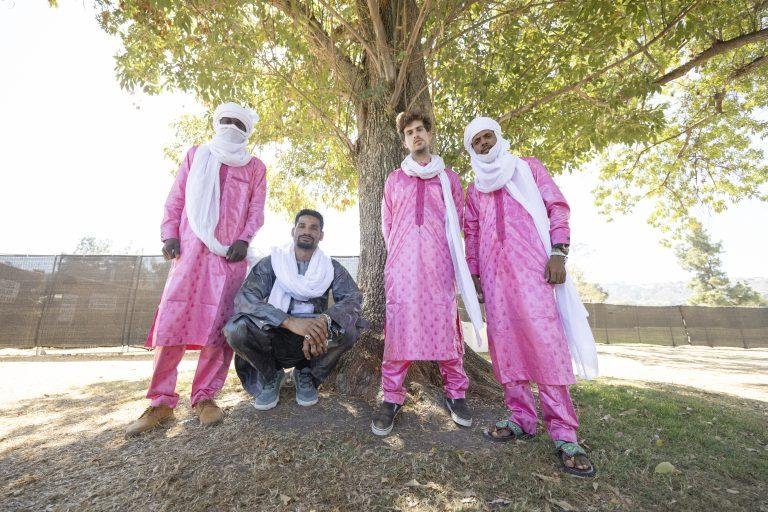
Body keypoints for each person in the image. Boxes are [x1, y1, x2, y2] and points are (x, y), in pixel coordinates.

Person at [463, 116, 598, 477]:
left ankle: (565, 434)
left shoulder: (528, 168)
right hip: (495, 280)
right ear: (470, 150)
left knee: (546, 346)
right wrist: (475, 274)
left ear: (499, 137)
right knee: (505, 348)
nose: (484, 145)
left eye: (487, 137)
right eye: (476, 143)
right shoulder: (474, 190)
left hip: (536, 273)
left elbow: (558, 207)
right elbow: (472, 233)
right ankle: (521, 419)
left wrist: (559, 252)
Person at [126, 102, 266, 437]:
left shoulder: (255, 167)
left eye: (238, 122)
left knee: (218, 328)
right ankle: (160, 401)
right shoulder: (195, 155)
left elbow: (256, 210)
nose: (231, 126)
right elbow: (175, 199)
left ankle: (205, 397)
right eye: (226, 120)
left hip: (228, 259)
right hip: (189, 254)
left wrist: (245, 241)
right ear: (217, 123)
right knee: (174, 323)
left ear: (247, 130)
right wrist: (169, 234)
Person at [372, 110, 483, 436]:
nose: (416, 135)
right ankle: (391, 398)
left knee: (446, 326)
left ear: (430, 134)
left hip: (439, 266)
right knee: (400, 327)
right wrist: (403, 254)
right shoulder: (395, 179)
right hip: (403, 267)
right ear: (404, 140)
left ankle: (456, 393)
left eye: (420, 129)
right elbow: (387, 225)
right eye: (409, 132)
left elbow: (459, 222)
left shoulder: (449, 179)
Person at [223, 209, 367, 409]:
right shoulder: (273, 262)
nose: (307, 231)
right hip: (274, 333)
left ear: (321, 235)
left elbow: (353, 298)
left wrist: (324, 321)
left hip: (314, 339)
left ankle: (307, 374)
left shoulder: (330, 267)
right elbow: (245, 298)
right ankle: (271, 376)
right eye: (302, 226)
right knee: (235, 328)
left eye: (314, 227)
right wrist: (288, 321)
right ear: (293, 231)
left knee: (353, 326)